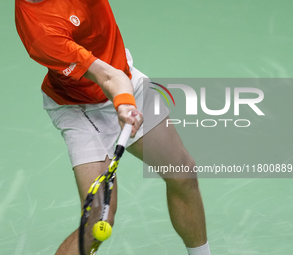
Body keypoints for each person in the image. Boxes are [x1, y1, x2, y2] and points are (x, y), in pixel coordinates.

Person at [15, 0, 211, 254]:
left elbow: (117, 75)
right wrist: (125, 104)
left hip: (125, 77)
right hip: (81, 107)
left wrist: (125, 100)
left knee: (182, 172)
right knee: (98, 217)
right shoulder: (42, 33)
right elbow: (107, 76)